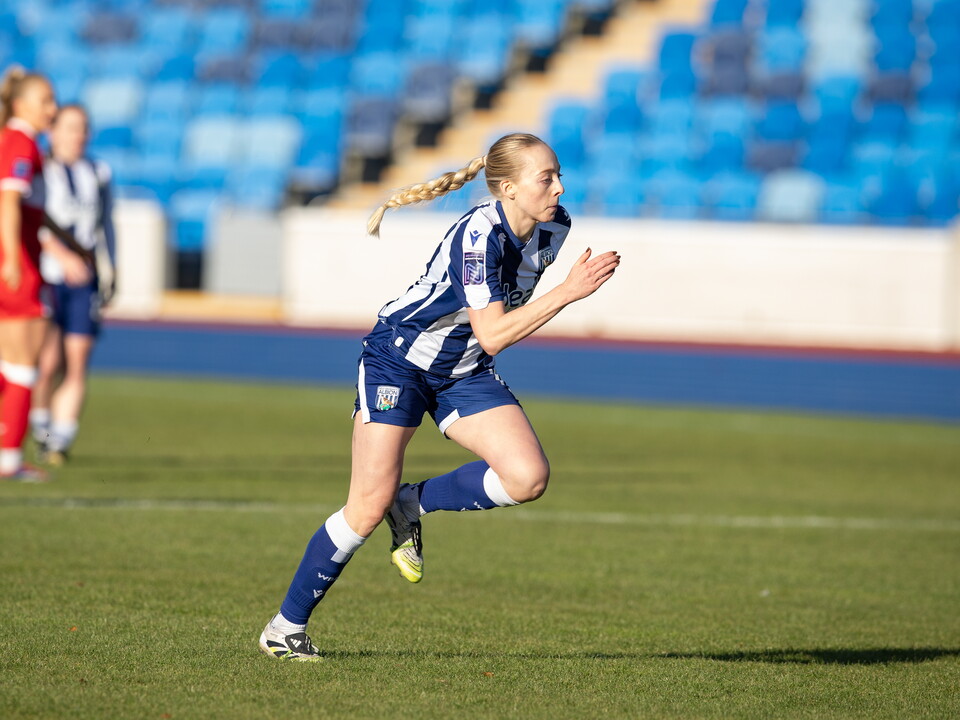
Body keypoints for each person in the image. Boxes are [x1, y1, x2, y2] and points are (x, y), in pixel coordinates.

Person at [259, 132, 620, 661]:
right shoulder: (478, 236)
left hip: (463, 370)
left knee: (528, 477)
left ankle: (412, 502)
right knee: (365, 504)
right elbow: (495, 331)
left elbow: (488, 337)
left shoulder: (554, 229)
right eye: (546, 178)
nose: (560, 187)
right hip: (399, 361)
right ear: (507, 188)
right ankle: (284, 628)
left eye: (558, 173)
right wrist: (568, 290)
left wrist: (560, 290)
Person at [0, 66, 91, 482]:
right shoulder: (20, 142)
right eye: (45, 101)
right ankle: (9, 460)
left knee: (13, 363)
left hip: (22, 261)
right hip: (19, 268)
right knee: (22, 366)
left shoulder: (23, 142)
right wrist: (14, 261)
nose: (52, 110)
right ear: (21, 105)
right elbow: (8, 201)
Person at [30, 103, 116, 466]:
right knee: (48, 363)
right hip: (48, 275)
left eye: (82, 128)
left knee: (77, 360)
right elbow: (31, 222)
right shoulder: (41, 171)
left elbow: (107, 225)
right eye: (69, 127)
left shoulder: (97, 172)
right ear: (53, 131)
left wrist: (112, 270)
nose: (77, 135)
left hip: (85, 281)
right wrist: (62, 258)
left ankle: (60, 441)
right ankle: (42, 431)